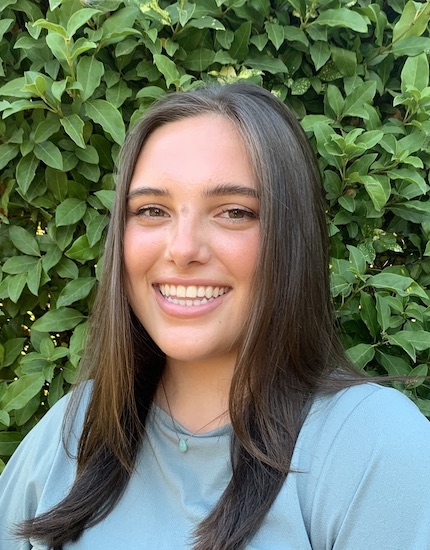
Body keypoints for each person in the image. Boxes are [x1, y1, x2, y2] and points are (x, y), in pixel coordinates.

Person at [1, 83, 430, 550]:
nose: (183, 249)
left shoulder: (376, 448)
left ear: (291, 239)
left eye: (233, 212)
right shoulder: (71, 431)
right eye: (151, 210)